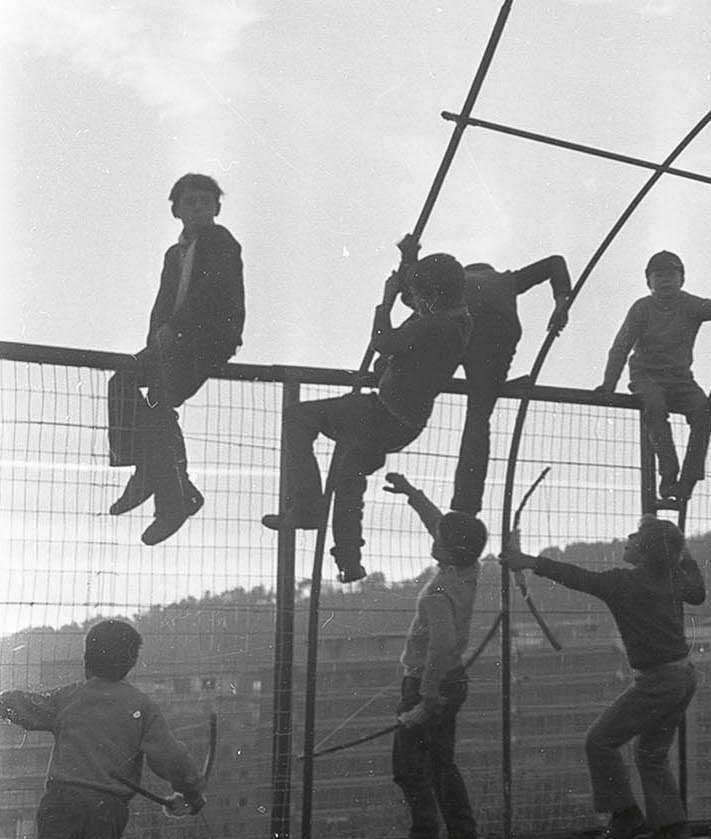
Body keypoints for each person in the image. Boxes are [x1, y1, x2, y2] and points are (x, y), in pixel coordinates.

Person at [263, 238, 470, 583]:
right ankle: (349, 560)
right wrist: (409, 260)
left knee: (298, 417)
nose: (414, 302)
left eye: (420, 298)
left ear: (433, 297)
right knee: (348, 481)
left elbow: (384, 340)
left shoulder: (433, 324)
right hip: (403, 422)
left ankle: (308, 507)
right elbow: (413, 301)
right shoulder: (457, 320)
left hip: (380, 414)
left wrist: (385, 302)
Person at [502, 515, 704, 839]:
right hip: (683, 677)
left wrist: (529, 562)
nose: (629, 537)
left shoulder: (622, 583)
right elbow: (698, 592)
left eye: (637, 536)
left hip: (659, 680)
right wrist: (681, 551)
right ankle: (673, 826)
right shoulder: (673, 579)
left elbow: (576, 577)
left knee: (600, 741)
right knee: (650, 753)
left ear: (645, 551)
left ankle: (625, 815)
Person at [0, 618, 205, 839]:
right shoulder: (142, 706)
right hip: (107, 809)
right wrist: (191, 792)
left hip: (62, 802)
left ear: (87, 657)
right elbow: (172, 757)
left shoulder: (70, 697)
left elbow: (24, 705)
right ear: (132, 661)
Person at [109, 172, 244, 546]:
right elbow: (163, 303)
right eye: (190, 201)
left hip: (207, 341)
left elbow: (208, 295)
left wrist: (176, 330)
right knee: (124, 379)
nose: (198, 207)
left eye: (206, 201)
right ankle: (149, 472)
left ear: (217, 208)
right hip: (173, 343)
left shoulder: (220, 241)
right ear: (176, 210)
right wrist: (154, 342)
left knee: (159, 401)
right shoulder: (174, 254)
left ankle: (169, 497)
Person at [376, 472, 487, 839]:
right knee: (441, 764)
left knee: (408, 768)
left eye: (440, 536)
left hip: (429, 682)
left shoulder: (438, 594)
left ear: (448, 548)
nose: (434, 534)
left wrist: (425, 697)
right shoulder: (468, 570)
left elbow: (440, 644)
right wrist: (413, 494)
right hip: (452, 679)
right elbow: (442, 524)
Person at [598, 250, 711, 505]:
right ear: (649, 281)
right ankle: (669, 474)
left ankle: (688, 481)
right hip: (647, 376)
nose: (665, 281)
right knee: (654, 406)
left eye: (671, 275)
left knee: (703, 412)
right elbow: (620, 347)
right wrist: (609, 385)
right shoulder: (642, 308)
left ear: (681, 279)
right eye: (658, 276)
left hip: (680, 380)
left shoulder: (689, 305)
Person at [452, 254, 573, 514]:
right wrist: (561, 303)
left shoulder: (455, 281)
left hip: (459, 327)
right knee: (478, 415)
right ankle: (466, 506)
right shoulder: (505, 280)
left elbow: (417, 304)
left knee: (424, 378)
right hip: (498, 334)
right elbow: (555, 262)